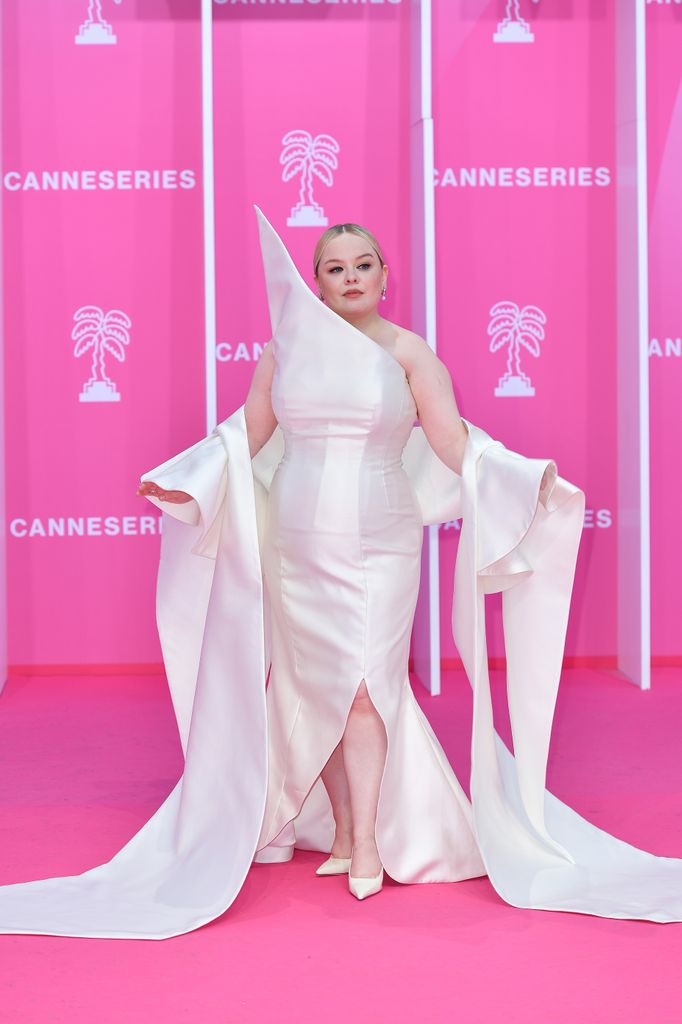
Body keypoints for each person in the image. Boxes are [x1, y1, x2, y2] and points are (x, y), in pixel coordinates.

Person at [1, 208, 681, 939]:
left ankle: (366, 842)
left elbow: (453, 443)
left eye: (362, 264)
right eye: (334, 267)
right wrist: (187, 480)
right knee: (313, 682)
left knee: (366, 686)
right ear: (318, 284)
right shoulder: (283, 351)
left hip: (383, 539)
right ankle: (349, 825)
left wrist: (522, 480)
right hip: (296, 542)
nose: (350, 276)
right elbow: (245, 434)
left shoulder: (410, 354)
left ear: (385, 277)